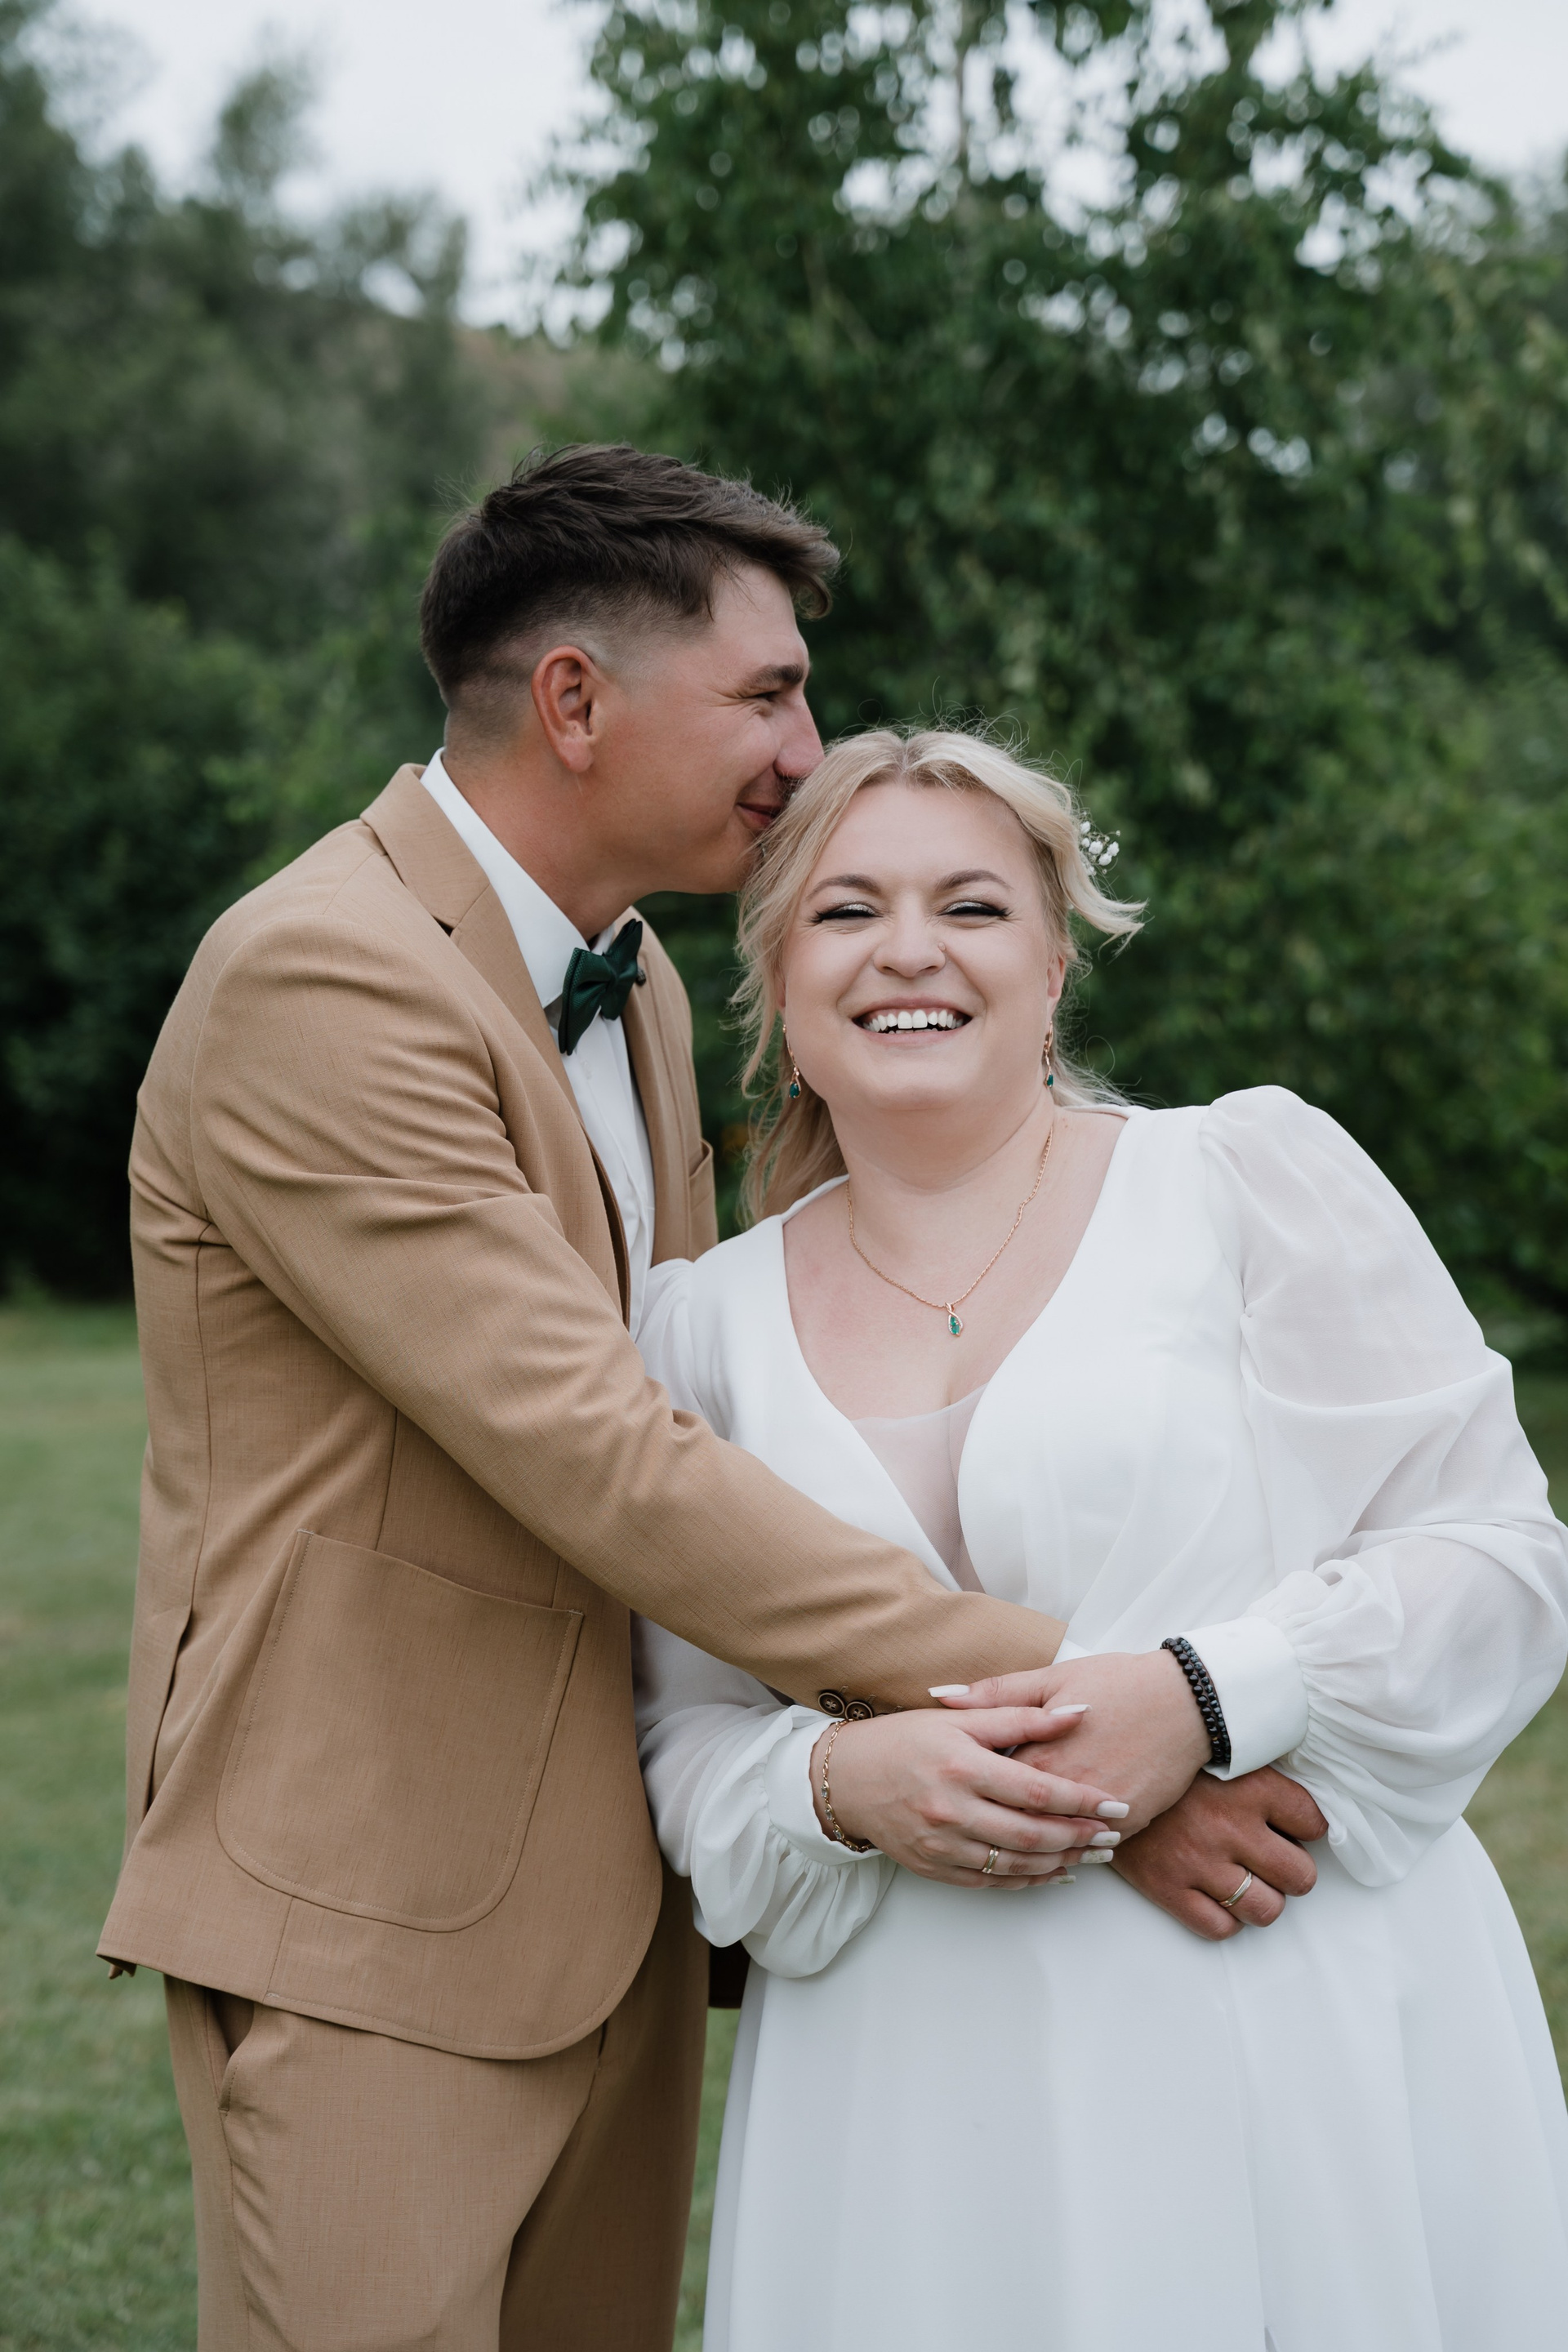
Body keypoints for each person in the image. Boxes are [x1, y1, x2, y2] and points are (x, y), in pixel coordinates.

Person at [98, 452, 1151, 2352]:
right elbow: (604, 1452)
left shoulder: (640, 980)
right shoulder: (321, 979)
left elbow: (711, 1384)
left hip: (622, 1890)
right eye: (768, 695)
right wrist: (1086, 1698)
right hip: (371, 1897)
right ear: (575, 701)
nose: (806, 753)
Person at [633, 726, 1568, 2350]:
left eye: (972, 906)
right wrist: (838, 1782)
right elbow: (678, 1736)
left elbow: (1498, 1555)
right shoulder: (696, 1327)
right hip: (912, 2093)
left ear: (1056, 962)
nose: (909, 950)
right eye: (848, 910)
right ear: (777, 979)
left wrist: (1207, 1694)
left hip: (1281, 2014)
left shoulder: (1242, 1180)